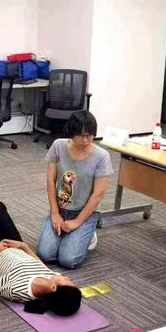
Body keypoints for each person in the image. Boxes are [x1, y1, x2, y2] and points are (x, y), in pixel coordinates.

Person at [36, 111, 112, 269]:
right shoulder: (58, 146)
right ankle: (71, 235)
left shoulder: (102, 156)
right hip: (61, 209)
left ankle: (88, 234)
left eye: (90, 135)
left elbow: (98, 195)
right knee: (45, 254)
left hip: (84, 212)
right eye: (81, 135)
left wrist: (78, 221)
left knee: (68, 260)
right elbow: (51, 181)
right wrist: (55, 213)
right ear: (72, 133)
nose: (85, 140)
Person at [0, 202, 82, 314]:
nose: (66, 277)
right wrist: (23, 246)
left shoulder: (18, 290)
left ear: (53, 288)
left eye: (66, 281)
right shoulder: (53, 279)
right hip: (17, 247)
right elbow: (39, 264)